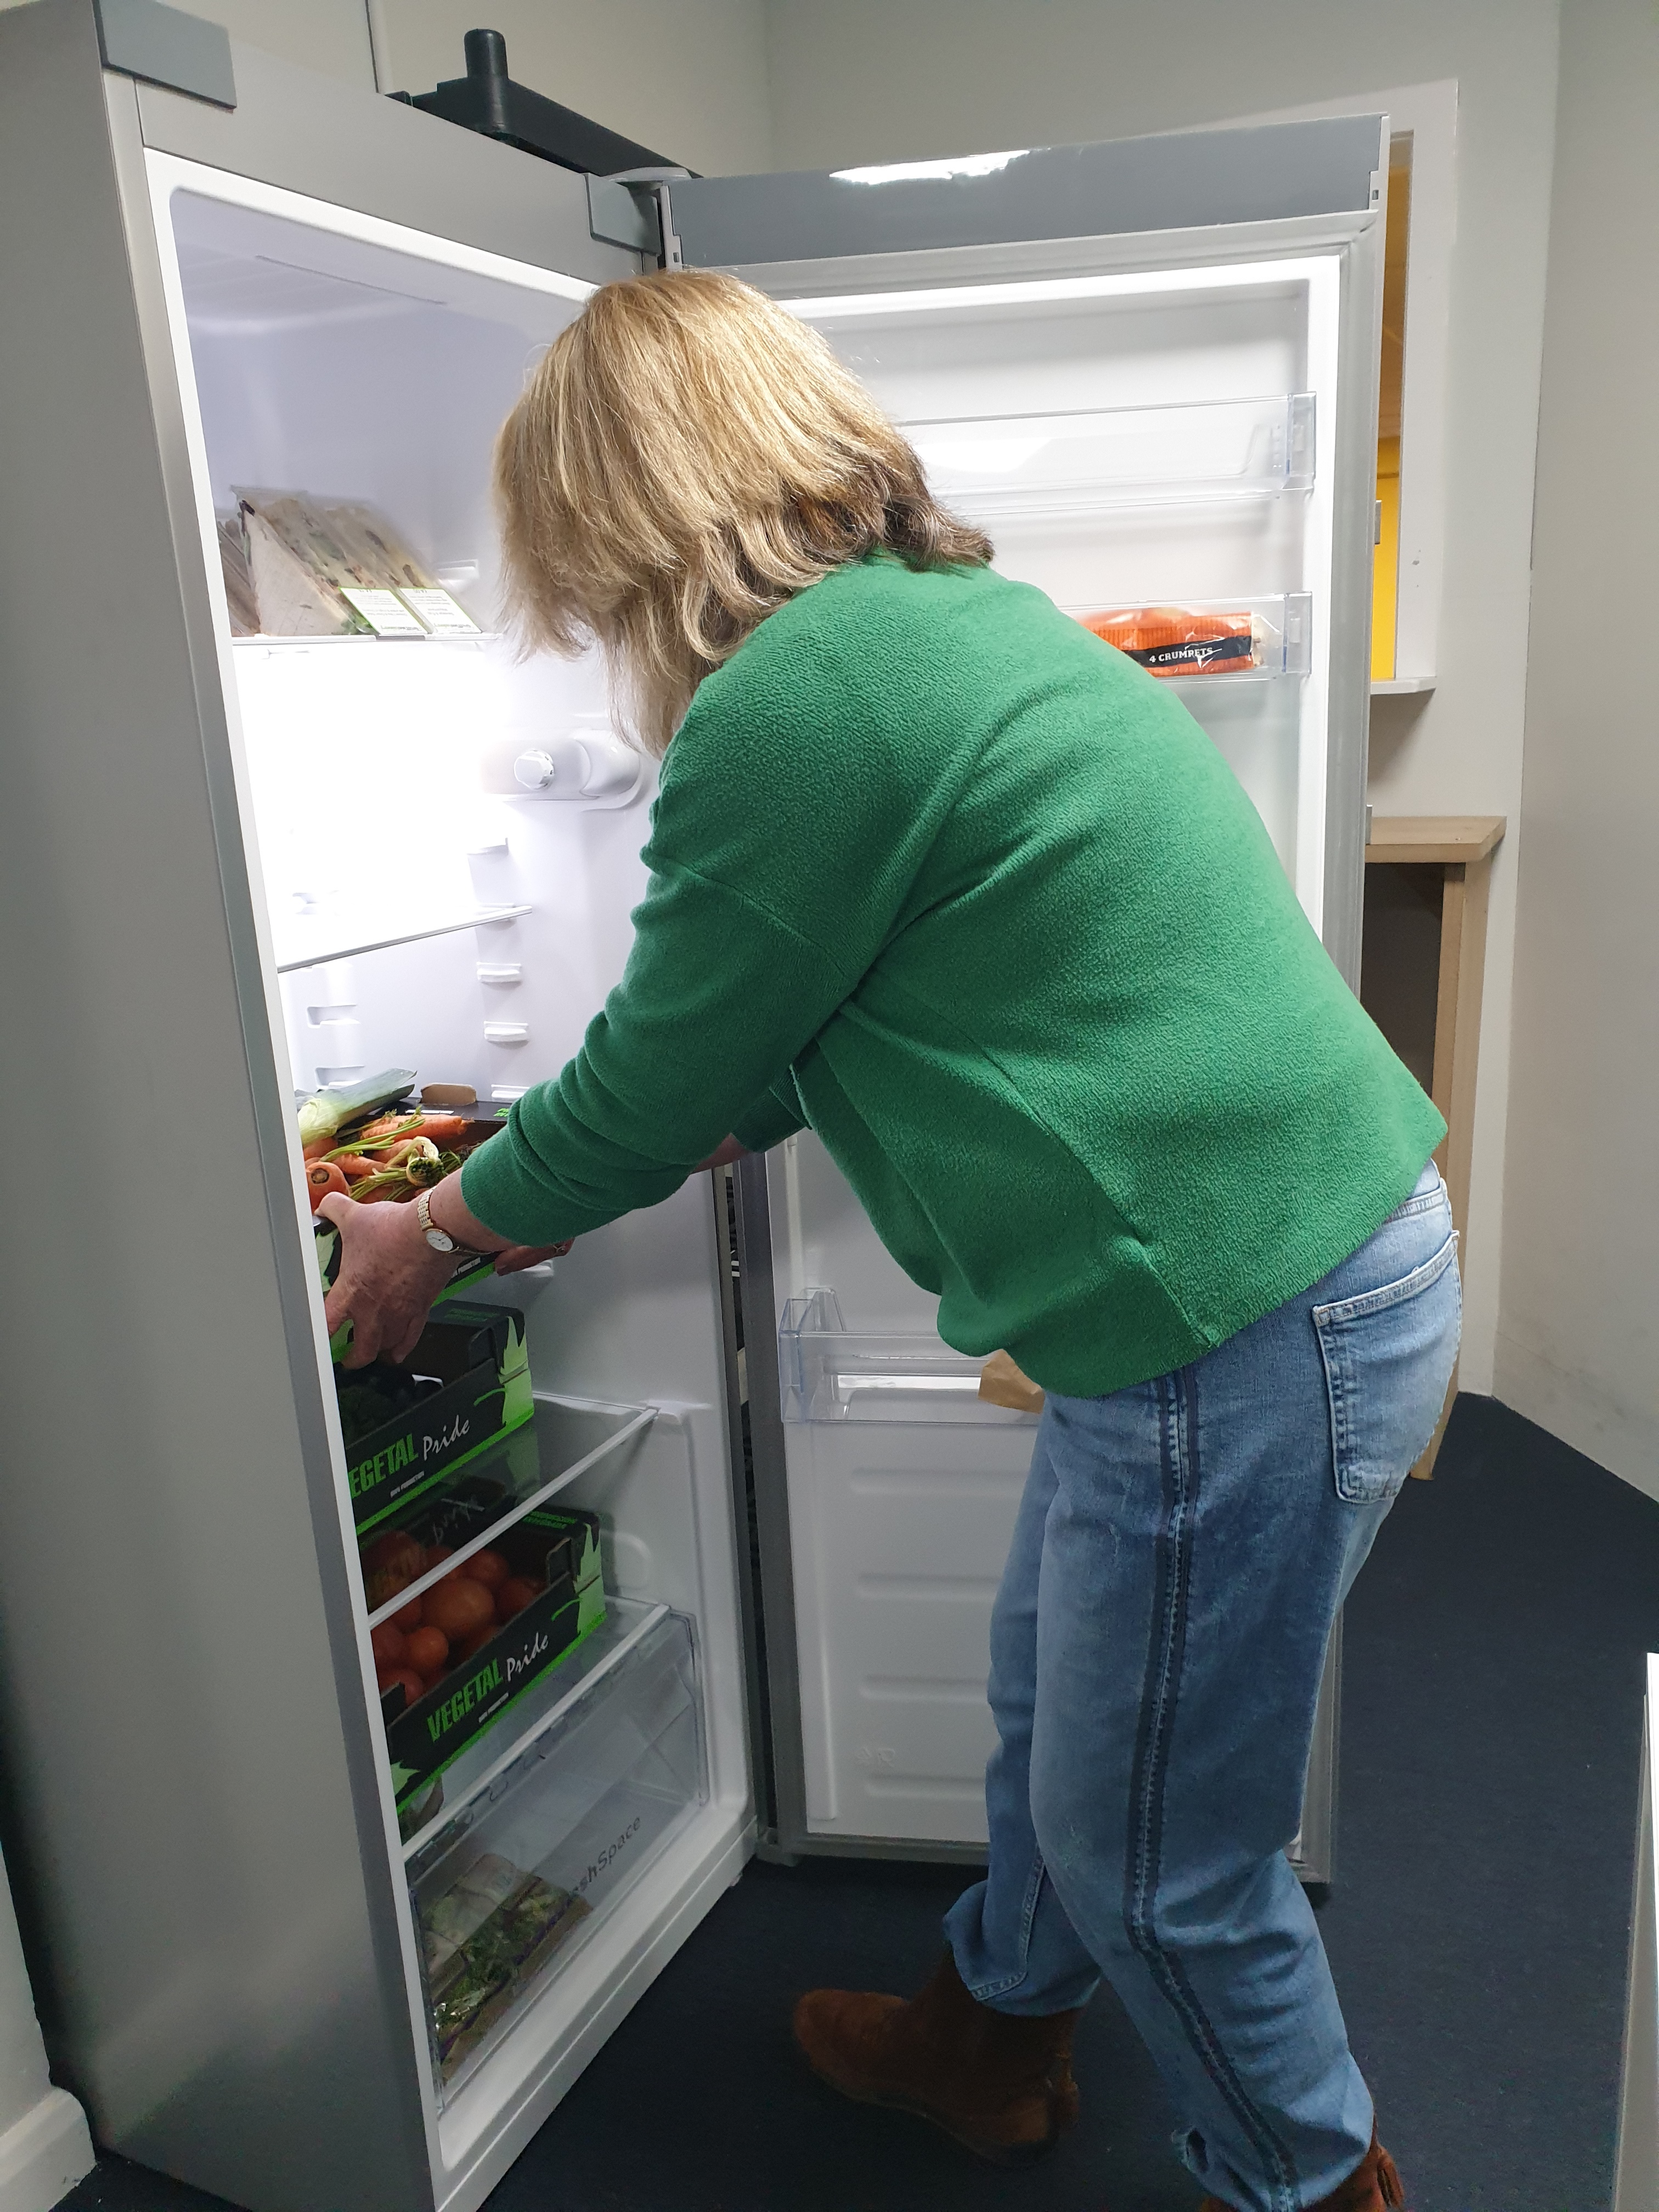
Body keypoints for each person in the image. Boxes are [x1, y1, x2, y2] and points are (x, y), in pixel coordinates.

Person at [321, 268, 1455, 2212]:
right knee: (1059, 1721)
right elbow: (816, 1019)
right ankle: (984, 2046)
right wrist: (563, 1145)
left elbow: (676, 1072)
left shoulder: (795, 706)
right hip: (1276, 1273)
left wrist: (433, 1228)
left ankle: (1311, 2180)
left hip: (1231, 1320)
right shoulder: (939, 625)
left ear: (620, 510)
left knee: (1161, 1859)